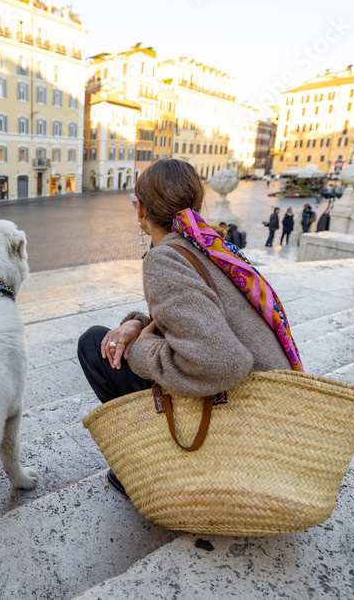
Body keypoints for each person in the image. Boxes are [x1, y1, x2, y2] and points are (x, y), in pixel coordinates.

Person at [76, 159, 301, 497]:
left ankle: (147, 465)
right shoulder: (208, 244)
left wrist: (138, 348)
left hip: (243, 417)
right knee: (109, 339)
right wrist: (137, 323)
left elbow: (222, 362)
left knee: (96, 345)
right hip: (271, 406)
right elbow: (191, 318)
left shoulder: (164, 258)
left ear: (141, 209)